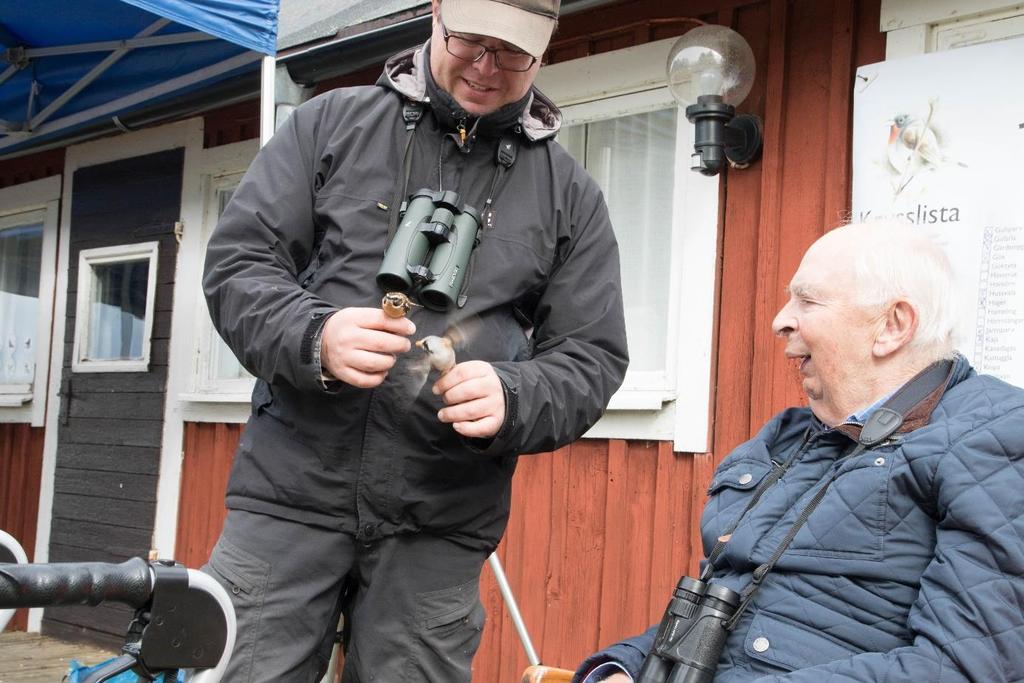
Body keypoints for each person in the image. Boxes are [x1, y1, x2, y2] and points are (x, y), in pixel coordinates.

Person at [200, 0, 629, 680]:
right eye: (471, 41)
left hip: (439, 519)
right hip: (289, 499)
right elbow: (237, 266)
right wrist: (316, 334)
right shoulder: (326, 126)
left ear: (545, 49)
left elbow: (592, 356)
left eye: (513, 52)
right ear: (435, 13)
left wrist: (513, 395)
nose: (487, 68)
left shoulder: (570, 196)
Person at [575, 221, 1024, 682]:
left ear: (893, 325)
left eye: (807, 301)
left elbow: (965, 667)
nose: (780, 320)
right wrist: (624, 668)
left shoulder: (996, 435)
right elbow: (721, 602)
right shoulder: (789, 437)